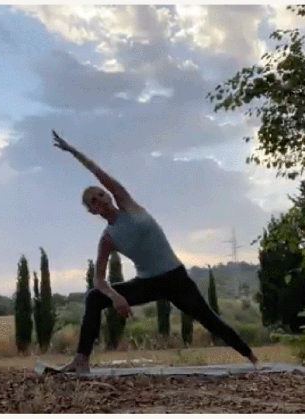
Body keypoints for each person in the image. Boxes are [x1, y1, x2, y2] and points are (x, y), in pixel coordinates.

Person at [52, 130, 260, 373]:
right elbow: (99, 279)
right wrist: (116, 296)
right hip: (148, 283)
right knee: (93, 297)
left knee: (209, 319)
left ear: (109, 194)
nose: (100, 200)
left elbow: (99, 172)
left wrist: (73, 151)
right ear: (92, 212)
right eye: (94, 201)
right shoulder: (108, 238)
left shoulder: (128, 205)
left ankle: (254, 359)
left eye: (100, 194)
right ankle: (81, 360)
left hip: (175, 277)